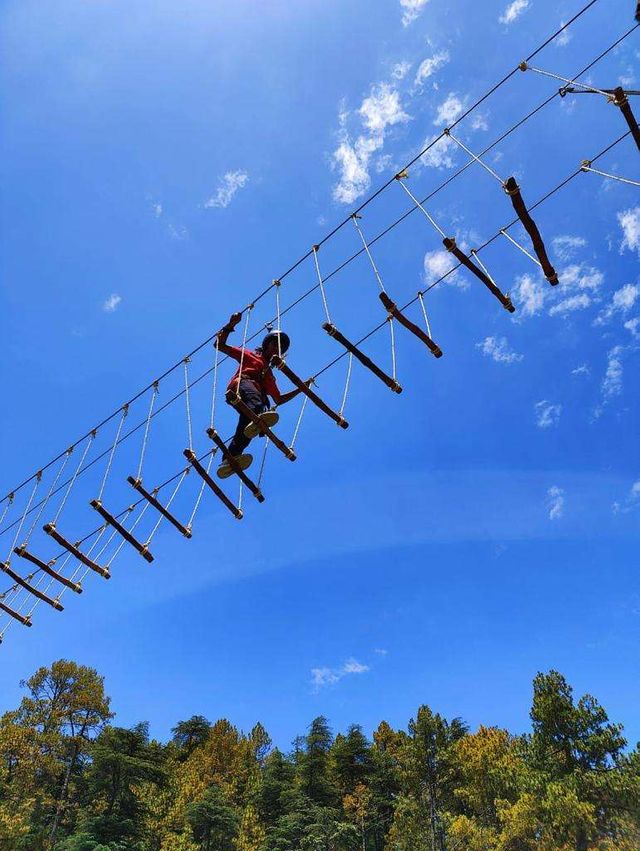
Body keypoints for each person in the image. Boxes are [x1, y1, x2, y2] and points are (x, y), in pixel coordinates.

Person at [215, 312, 304, 477]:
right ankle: (257, 414)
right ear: (267, 345)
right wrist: (231, 325)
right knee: (256, 403)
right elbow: (220, 345)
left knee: (247, 428)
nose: (277, 350)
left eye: (280, 348)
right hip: (241, 387)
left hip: (249, 400)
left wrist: (301, 389)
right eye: (274, 345)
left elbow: (278, 399)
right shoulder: (251, 356)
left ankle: (230, 457)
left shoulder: (269, 374)